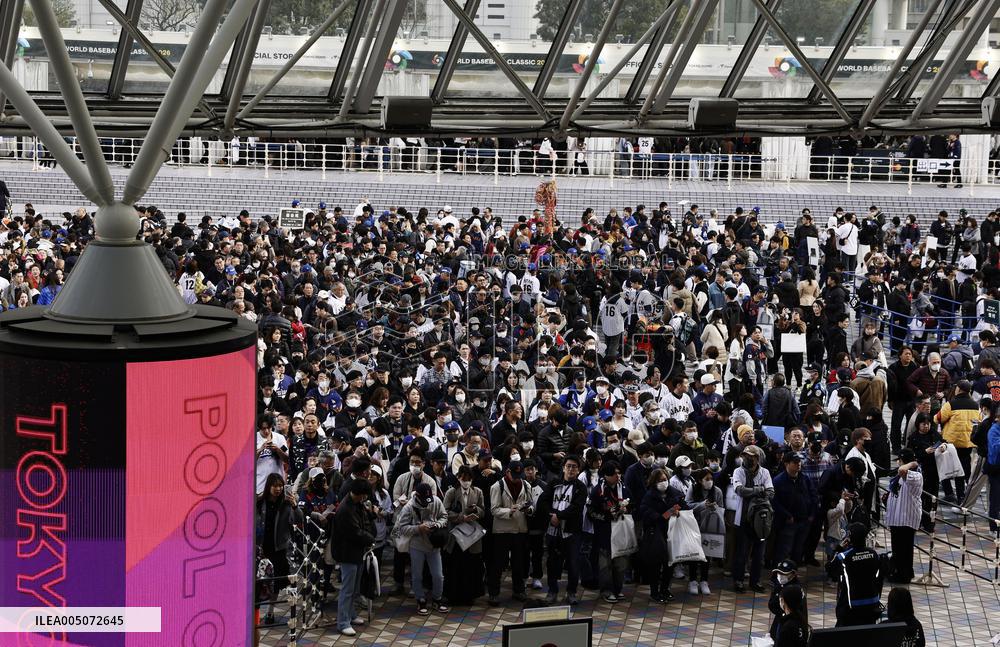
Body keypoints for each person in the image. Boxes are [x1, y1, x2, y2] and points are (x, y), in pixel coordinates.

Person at [537, 454, 588, 605]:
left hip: (572, 531)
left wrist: (558, 516)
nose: (571, 469)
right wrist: (551, 515)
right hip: (553, 531)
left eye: (574, 467)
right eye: (569, 466)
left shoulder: (581, 487)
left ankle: (571, 592)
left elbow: (576, 508)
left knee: (573, 563)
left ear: (578, 470)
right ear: (564, 467)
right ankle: (552, 591)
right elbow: (542, 502)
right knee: (552, 562)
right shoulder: (553, 483)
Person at [394, 482, 450, 615]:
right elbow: (402, 528)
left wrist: (437, 525)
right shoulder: (408, 508)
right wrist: (419, 528)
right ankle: (421, 600)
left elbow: (444, 516)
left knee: (438, 575)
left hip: (434, 545)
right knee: (417, 575)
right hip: (417, 546)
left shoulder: (435, 501)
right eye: (424, 500)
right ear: (417, 496)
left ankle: (437, 599)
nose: (427, 503)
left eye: (429, 499)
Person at [333, 478, 376, 636]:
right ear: (358, 494)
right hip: (347, 553)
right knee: (347, 589)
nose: (365, 498)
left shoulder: (356, 504)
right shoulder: (345, 509)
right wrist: (371, 538)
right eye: (364, 495)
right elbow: (355, 532)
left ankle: (350, 615)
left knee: (354, 587)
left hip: (357, 551)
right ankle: (342, 622)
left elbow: (363, 522)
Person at [255, 473, 300, 625]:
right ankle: (256, 612)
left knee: (274, 583)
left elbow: (298, 522)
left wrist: (295, 505)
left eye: (281, 485)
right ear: (269, 486)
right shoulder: (260, 502)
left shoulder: (287, 504)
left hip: (278, 548)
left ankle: (270, 611)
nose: (278, 489)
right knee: (258, 582)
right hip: (261, 548)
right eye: (275, 485)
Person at [639, 467, 687, 603]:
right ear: (654, 482)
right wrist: (667, 514)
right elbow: (648, 514)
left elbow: (684, 506)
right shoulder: (649, 496)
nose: (663, 482)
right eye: (660, 480)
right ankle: (655, 592)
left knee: (669, 564)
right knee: (655, 564)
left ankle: (665, 589)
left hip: (672, 532)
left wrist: (677, 510)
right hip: (655, 534)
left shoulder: (675, 493)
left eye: (665, 479)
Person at [827, 522, 888, 627]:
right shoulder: (874, 554)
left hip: (851, 606)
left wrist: (838, 549)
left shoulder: (844, 557)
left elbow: (829, 568)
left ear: (849, 538)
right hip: (872, 604)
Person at [489, 460, 533, 604]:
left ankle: (519, 590)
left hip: (520, 529)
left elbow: (531, 505)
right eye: (514, 474)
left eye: (519, 475)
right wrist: (509, 511)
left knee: (518, 562)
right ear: (507, 472)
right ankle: (494, 593)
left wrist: (529, 510)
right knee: (498, 563)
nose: (517, 477)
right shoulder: (497, 486)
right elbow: (494, 509)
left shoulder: (526, 485)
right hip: (502, 530)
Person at [731, 445, 774, 593]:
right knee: (741, 553)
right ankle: (738, 580)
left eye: (751, 456)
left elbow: (770, 492)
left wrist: (757, 491)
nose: (748, 458)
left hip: (761, 518)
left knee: (759, 554)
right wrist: (759, 490)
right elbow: (740, 490)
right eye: (746, 456)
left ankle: (755, 581)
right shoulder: (738, 471)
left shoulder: (765, 472)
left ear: (757, 458)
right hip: (743, 518)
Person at [935, 379, 981, 509]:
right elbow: (979, 420)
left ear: (958, 389)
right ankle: (962, 496)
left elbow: (938, 418)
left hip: (951, 442)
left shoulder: (951, 404)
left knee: (945, 466)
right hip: (967, 442)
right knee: (962, 469)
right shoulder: (975, 405)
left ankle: (949, 492)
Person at [589, 461, 632, 602]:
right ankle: (606, 590)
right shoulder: (597, 491)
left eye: (619, 473)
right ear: (606, 475)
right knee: (605, 563)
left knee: (621, 562)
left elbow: (633, 504)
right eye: (614, 474)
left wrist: (626, 509)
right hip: (604, 532)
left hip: (620, 530)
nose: (618, 476)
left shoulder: (623, 488)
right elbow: (591, 512)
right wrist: (607, 516)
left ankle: (618, 589)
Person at [443, 465, 485, 606]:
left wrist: (476, 510)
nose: (466, 482)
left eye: (469, 479)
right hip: (456, 536)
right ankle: (453, 595)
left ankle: (469, 595)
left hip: (472, 537)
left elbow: (483, 511)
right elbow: (445, 512)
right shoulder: (452, 492)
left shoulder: (477, 492)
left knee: (470, 567)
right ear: (459, 478)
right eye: (463, 479)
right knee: (455, 567)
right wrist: (461, 517)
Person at [884, 449, 923, 584]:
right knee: (898, 549)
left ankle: (904, 575)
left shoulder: (915, 475)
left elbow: (902, 471)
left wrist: (912, 463)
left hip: (906, 518)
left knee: (904, 549)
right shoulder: (901, 475)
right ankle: (899, 571)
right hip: (897, 518)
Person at [772, 453, 817, 565]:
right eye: (795, 462)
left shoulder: (805, 478)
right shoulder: (778, 481)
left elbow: (813, 497)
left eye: (799, 462)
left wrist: (811, 515)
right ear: (787, 464)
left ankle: (793, 575)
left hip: (804, 520)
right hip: (788, 522)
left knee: (798, 551)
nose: (799, 465)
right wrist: (787, 515)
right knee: (784, 550)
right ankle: (779, 575)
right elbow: (774, 502)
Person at [686, 468, 723, 594]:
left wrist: (715, 507)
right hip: (695, 525)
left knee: (706, 554)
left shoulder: (717, 491)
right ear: (700, 481)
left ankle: (704, 580)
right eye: (707, 479)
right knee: (694, 554)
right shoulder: (693, 489)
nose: (710, 482)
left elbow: (722, 508)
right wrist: (702, 505)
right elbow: (687, 505)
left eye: (711, 479)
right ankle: (692, 580)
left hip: (710, 526)